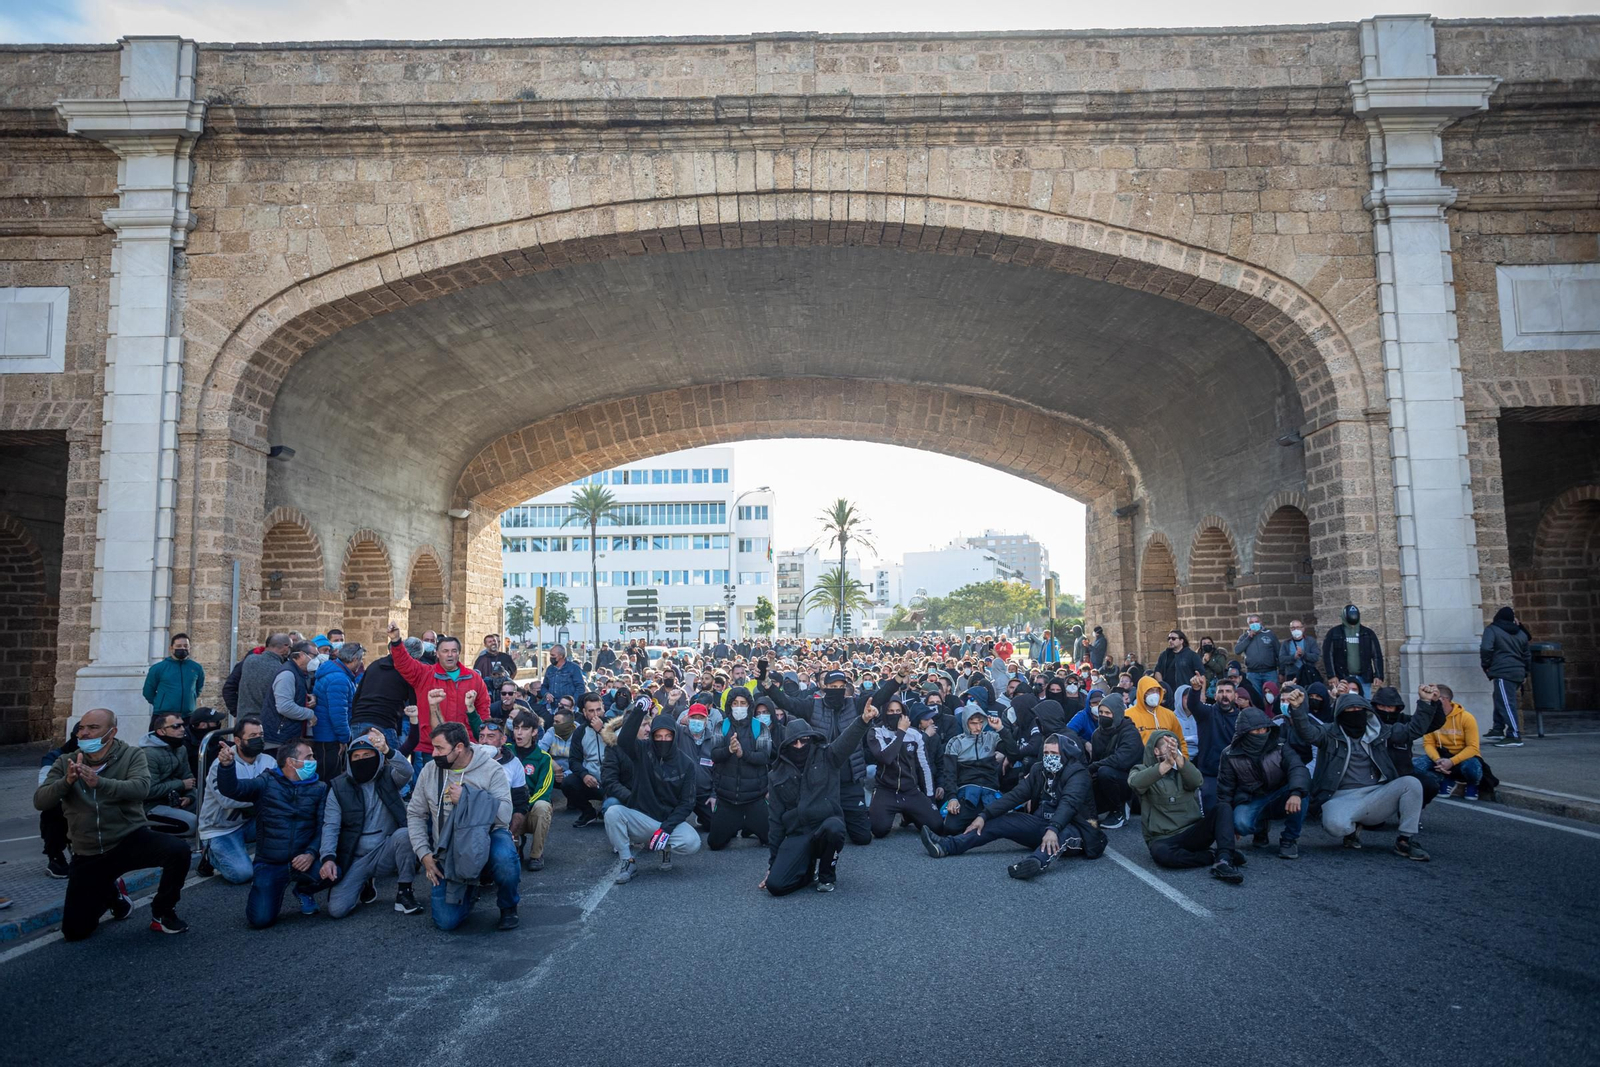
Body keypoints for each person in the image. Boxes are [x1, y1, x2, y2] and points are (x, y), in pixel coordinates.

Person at [34, 708, 190, 939]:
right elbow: (41, 801)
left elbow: (141, 789)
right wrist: (66, 782)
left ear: (112, 732)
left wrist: (100, 782)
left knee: (179, 850)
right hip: (88, 851)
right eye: (82, 728)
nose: (84, 733)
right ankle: (114, 896)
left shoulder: (131, 755)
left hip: (128, 839)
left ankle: (163, 913)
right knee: (75, 932)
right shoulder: (66, 761)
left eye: (93, 728)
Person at [918, 732, 1102, 880]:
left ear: (1065, 755)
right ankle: (947, 845)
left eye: (1054, 754)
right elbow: (1015, 796)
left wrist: (1054, 828)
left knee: (1064, 834)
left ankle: (1034, 863)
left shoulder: (1078, 773)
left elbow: (1069, 803)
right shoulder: (1039, 770)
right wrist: (984, 815)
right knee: (1003, 820)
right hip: (1043, 825)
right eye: (1046, 753)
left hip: (1078, 829)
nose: (1049, 758)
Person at [1285, 684, 1434, 860]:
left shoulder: (1381, 732)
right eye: (1349, 709)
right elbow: (1307, 733)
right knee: (1335, 826)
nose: (1355, 712)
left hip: (1376, 792)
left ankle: (1405, 840)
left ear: (1367, 712)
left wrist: (1425, 702)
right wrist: (1297, 708)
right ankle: (1352, 830)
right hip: (1341, 795)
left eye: (1359, 708)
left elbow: (1412, 730)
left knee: (1412, 783)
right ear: (1340, 714)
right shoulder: (1328, 733)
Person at [405, 721, 520, 931]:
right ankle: (469, 890)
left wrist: (469, 797)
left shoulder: (491, 769)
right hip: (448, 849)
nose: (434, 753)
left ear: (458, 747)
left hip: (486, 839)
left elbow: (504, 815)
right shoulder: (430, 770)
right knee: (446, 922)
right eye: (433, 747)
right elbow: (415, 814)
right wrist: (424, 854)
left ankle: (508, 906)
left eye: (440, 748)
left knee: (505, 858)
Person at [763, 701, 879, 895]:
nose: (799, 746)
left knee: (835, 828)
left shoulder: (828, 756)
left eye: (804, 740)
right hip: (797, 834)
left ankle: (826, 874)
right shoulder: (776, 775)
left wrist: (863, 720)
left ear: (811, 739)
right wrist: (772, 865)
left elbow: (846, 741)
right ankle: (807, 872)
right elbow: (775, 822)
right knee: (775, 886)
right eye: (794, 742)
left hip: (824, 827)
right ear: (787, 745)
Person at [216, 736, 329, 927]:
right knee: (260, 920)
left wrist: (310, 853)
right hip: (271, 862)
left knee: (335, 870)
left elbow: (323, 826)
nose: (313, 761)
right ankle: (266, 886)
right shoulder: (266, 782)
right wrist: (226, 766)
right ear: (291, 762)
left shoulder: (320, 788)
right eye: (308, 757)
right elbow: (233, 789)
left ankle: (304, 890)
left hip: (303, 860)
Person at [757, 665, 872, 845]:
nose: (837, 690)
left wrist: (899, 678)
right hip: (820, 783)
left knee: (863, 837)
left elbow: (880, 698)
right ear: (824, 688)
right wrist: (767, 684)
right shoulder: (812, 705)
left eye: (841, 687)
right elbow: (787, 702)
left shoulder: (855, 705)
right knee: (821, 834)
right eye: (832, 687)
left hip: (850, 783)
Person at [317, 729, 417, 918]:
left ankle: (405, 891)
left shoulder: (389, 776)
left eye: (367, 754)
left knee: (406, 834)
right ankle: (365, 882)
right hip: (356, 858)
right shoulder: (339, 788)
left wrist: (388, 750)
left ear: (377, 756)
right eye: (357, 756)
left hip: (385, 851)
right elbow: (330, 826)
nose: (362, 759)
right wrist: (328, 857)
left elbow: (407, 771)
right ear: (349, 759)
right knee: (337, 910)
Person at [607, 697, 702, 885]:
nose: (663, 740)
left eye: (668, 736)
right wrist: (639, 711)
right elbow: (624, 740)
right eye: (658, 736)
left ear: (675, 737)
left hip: (669, 822)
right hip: (642, 817)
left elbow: (687, 802)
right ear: (652, 736)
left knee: (693, 842)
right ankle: (628, 861)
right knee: (612, 812)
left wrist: (667, 829)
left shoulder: (686, 764)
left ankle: (665, 847)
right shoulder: (642, 750)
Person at [1129, 729, 1237, 881]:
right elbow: (1136, 783)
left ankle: (1224, 860)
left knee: (1223, 808)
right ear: (1156, 751)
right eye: (1168, 748)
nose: (1172, 753)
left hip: (1192, 831)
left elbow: (1197, 781)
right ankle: (1211, 856)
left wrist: (1180, 761)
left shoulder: (1184, 769)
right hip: (1163, 837)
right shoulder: (1141, 769)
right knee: (1163, 855)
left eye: (1175, 748)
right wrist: (1165, 764)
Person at [1213, 707, 1310, 866]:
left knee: (1302, 792)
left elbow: (1297, 768)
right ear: (1244, 732)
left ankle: (1289, 839)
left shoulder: (1280, 745)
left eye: (1263, 728)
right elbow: (1225, 791)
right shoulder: (1229, 754)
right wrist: (1227, 826)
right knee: (1240, 823)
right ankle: (1260, 828)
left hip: (1281, 793)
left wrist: (1296, 793)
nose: (1261, 733)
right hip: (1252, 797)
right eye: (1255, 730)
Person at [385, 622, 490, 761]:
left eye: (454, 651)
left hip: (465, 746)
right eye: (445, 651)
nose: (450, 655)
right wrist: (396, 641)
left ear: (459, 653)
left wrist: (484, 737)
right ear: (437, 653)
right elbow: (404, 664)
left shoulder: (474, 678)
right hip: (432, 746)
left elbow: (484, 709)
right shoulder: (425, 674)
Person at [198, 716, 276, 884]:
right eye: (253, 736)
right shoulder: (221, 765)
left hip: (249, 821)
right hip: (221, 828)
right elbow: (228, 800)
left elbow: (279, 791)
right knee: (242, 874)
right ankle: (210, 853)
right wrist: (265, 798)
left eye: (261, 735)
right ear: (238, 741)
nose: (259, 739)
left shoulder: (268, 761)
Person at [866, 697, 944, 838]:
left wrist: (930, 798)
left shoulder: (915, 734)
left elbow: (924, 767)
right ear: (884, 713)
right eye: (890, 711)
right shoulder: (876, 732)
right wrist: (901, 732)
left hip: (910, 790)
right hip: (886, 789)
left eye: (898, 711)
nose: (895, 714)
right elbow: (886, 758)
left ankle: (909, 814)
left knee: (936, 826)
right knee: (878, 830)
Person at [708, 686, 775, 849]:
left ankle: (749, 826)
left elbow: (765, 757)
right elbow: (715, 755)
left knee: (772, 840)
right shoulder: (720, 726)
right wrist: (729, 750)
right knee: (715, 844)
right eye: (735, 703)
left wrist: (743, 753)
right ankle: (735, 825)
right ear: (729, 705)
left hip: (755, 798)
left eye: (743, 703)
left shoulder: (760, 727)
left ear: (749, 705)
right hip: (727, 799)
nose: (739, 707)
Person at [937, 704, 1011, 834]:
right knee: (950, 827)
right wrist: (952, 797)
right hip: (967, 793)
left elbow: (1014, 752)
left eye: (980, 723)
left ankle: (979, 821)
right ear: (966, 722)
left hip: (990, 791)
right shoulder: (955, 743)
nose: (977, 727)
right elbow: (949, 773)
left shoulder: (991, 737)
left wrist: (1000, 729)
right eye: (973, 723)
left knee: (1005, 826)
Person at [349, 636, 421, 752]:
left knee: (358, 763)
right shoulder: (409, 672)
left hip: (359, 720)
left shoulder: (375, 665)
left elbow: (357, 696)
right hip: (384, 723)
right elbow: (414, 705)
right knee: (390, 765)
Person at [1416, 684, 1484, 800]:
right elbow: (1428, 743)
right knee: (1413, 766)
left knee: (1472, 767)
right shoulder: (1431, 717)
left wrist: (1451, 762)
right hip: (1441, 756)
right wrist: (1437, 760)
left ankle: (1472, 784)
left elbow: (1473, 747)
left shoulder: (1466, 717)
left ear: (1444, 699)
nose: (1431, 703)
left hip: (1463, 757)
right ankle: (1445, 780)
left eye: (1433, 699)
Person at [1087, 693, 1143, 828]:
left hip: (1131, 781)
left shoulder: (1130, 733)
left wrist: (1094, 766)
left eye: (1108, 712)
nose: (1103, 716)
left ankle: (1119, 811)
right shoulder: (1097, 734)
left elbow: (1121, 761)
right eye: (1101, 712)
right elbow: (1096, 761)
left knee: (1105, 772)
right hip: (1106, 780)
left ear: (1117, 713)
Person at [508, 711, 555, 869]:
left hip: (528, 812)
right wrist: (471, 711)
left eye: (525, 728)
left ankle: (536, 855)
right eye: (516, 728)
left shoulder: (543, 758)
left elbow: (544, 790)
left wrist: (523, 808)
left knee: (543, 806)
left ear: (534, 732)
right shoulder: (505, 751)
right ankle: (513, 846)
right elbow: (482, 737)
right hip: (506, 811)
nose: (519, 732)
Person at [311, 642, 362, 785]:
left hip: (327, 734)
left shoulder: (336, 673)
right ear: (354, 660)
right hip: (329, 737)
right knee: (329, 778)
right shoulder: (339, 679)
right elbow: (338, 714)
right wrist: (344, 739)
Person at [140, 711, 198, 835]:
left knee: (212, 809)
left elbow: (189, 778)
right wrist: (181, 785)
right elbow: (148, 790)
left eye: (183, 725)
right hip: (152, 806)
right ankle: (148, 829)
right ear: (161, 731)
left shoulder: (181, 748)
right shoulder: (148, 754)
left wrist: (189, 797)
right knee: (193, 823)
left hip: (176, 800)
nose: (182, 729)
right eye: (176, 726)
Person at [1481, 606, 1531, 747]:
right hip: (1518, 671)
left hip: (1503, 671)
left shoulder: (1492, 630)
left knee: (1506, 703)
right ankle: (1498, 728)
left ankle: (1514, 734)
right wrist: (1526, 671)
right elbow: (1527, 654)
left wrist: (1486, 665)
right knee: (1499, 697)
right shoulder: (1521, 633)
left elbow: (1486, 648)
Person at [262, 640, 318, 755]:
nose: (317, 660)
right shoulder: (287, 674)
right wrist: (309, 714)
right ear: (302, 655)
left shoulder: (299, 673)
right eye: (314, 656)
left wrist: (308, 697)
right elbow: (284, 707)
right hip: (278, 737)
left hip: (288, 735)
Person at [1324, 604, 1383, 698]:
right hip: (1342, 676)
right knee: (1344, 702)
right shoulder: (1334, 633)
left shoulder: (1367, 633)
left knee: (1365, 703)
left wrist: (1379, 675)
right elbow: (1328, 655)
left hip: (1363, 677)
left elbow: (1377, 655)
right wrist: (1331, 675)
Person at [142, 632, 205, 720]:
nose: (183, 648)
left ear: (190, 648)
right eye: (178, 646)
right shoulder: (158, 668)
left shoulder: (197, 668)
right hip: (163, 716)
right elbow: (148, 691)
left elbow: (198, 689)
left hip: (188, 716)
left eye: (186, 646)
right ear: (171, 648)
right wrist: (160, 703)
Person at [1234, 614, 1280, 697]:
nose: (1254, 624)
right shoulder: (1244, 637)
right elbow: (1237, 650)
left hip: (1270, 672)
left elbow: (1278, 652)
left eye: (1256, 621)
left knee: (1272, 696)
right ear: (1248, 624)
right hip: (1253, 674)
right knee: (1255, 697)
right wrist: (1249, 637)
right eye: (1251, 622)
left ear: (1260, 622)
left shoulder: (1269, 634)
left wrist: (1281, 671)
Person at [1153, 630, 1202, 709]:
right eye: (1169, 639)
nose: (1170, 641)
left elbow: (1201, 675)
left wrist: (1202, 694)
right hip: (1169, 695)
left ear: (1181, 640)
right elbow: (1158, 671)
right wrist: (1162, 686)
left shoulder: (1192, 655)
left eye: (1173, 638)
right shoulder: (1164, 655)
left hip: (1186, 693)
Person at [1278, 620, 1321, 686]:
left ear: (1303, 629)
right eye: (1293, 628)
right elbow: (1281, 659)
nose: (1296, 630)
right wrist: (1293, 657)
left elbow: (1316, 657)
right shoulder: (1286, 643)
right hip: (1292, 674)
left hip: (1307, 674)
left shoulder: (1310, 641)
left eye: (1298, 627)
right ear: (1290, 629)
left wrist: (1304, 654)